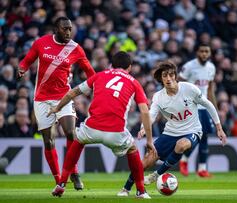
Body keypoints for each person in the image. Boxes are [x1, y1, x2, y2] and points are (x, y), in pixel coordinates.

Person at [49, 51, 156, 198]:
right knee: (132, 150)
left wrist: (57, 108)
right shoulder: (134, 82)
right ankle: (141, 191)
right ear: (130, 68)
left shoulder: (99, 75)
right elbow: (144, 112)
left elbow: (72, 92)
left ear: (111, 65)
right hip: (116, 132)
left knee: (77, 141)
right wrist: (149, 140)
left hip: (91, 128)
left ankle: (61, 183)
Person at [117, 61, 227, 196]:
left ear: (175, 76)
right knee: (145, 161)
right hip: (170, 133)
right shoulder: (158, 97)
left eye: (170, 75)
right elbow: (151, 114)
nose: (168, 78)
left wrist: (219, 128)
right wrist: (143, 128)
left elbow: (208, 105)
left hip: (193, 131)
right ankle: (126, 189)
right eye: (164, 76)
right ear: (161, 79)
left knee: (181, 145)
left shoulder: (189, 89)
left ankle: (157, 175)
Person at [17, 16, 96, 190]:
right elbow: (28, 59)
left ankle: (74, 173)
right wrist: (22, 68)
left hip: (64, 97)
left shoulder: (75, 48)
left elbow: (90, 71)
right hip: (42, 99)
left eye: (70, 29)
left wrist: (97, 86)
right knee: (49, 141)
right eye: (64, 29)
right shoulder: (41, 43)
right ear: (56, 29)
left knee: (70, 133)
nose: (68, 32)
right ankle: (59, 179)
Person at [178, 43, 217, 177]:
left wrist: (214, 109)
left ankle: (202, 169)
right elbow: (178, 84)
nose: (204, 54)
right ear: (197, 52)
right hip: (191, 107)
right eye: (202, 51)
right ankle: (184, 160)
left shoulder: (211, 67)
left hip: (204, 107)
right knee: (196, 137)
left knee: (204, 137)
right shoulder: (189, 66)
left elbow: (210, 89)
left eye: (207, 51)